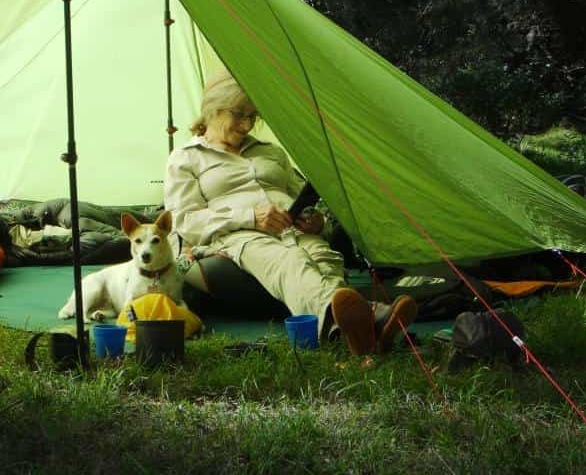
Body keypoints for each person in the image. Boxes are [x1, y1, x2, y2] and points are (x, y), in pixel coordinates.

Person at [164, 71, 417, 355]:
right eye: (239, 114)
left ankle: (352, 333)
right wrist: (251, 217)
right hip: (240, 235)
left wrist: (315, 219)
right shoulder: (186, 158)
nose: (247, 124)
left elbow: (303, 195)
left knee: (324, 257)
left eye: (253, 116)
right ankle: (367, 317)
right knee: (289, 261)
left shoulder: (272, 152)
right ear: (213, 108)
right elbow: (184, 221)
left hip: (292, 228)